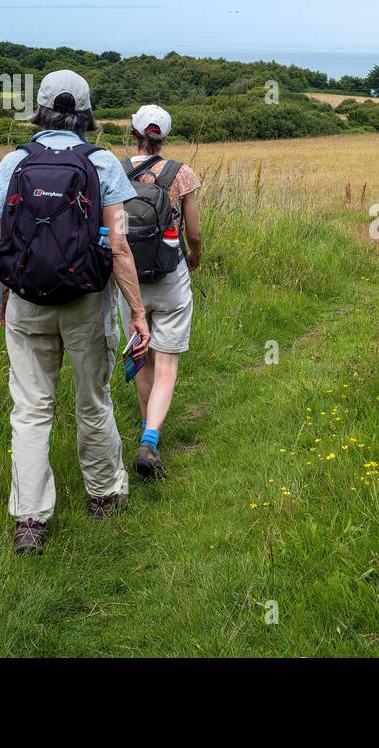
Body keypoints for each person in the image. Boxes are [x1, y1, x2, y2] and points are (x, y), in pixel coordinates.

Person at [0, 70, 150, 555]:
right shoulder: (100, 162)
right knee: (92, 400)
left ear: (39, 108)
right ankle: (104, 495)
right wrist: (137, 312)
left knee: (30, 410)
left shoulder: (13, 161)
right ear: (86, 110)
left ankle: (31, 520)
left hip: (26, 303)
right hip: (86, 303)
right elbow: (118, 246)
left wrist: (2, 300)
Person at [116, 105, 203, 481]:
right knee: (166, 364)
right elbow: (194, 234)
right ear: (164, 138)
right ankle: (151, 438)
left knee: (142, 358)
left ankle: (144, 426)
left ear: (131, 132)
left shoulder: (113, 171)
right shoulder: (180, 173)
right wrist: (195, 257)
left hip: (129, 281)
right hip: (171, 277)